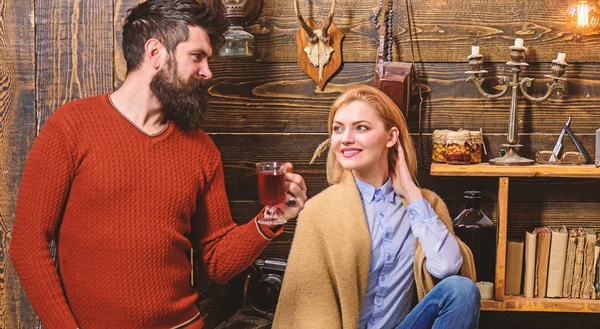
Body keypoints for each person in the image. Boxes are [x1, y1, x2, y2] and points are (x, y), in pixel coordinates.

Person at [9, 1, 307, 329]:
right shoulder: (70, 126)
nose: (208, 72)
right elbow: (28, 243)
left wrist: (271, 218)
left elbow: (217, 262)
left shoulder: (201, 149)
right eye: (197, 56)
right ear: (155, 52)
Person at [273, 85, 479, 329]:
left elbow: (447, 268)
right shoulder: (319, 211)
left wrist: (413, 195)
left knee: (461, 290)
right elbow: (307, 308)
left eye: (361, 127)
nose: (346, 138)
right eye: (338, 128)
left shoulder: (425, 204)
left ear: (391, 137)